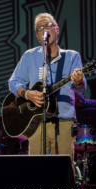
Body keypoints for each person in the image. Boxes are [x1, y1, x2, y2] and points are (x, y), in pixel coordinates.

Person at [8, 13, 86, 162]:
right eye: (40, 28)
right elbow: (13, 82)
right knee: (36, 172)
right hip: (36, 122)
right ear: (38, 35)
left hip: (63, 121)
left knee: (64, 172)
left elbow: (81, 89)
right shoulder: (29, 56)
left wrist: (78, 82)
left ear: (56, 29)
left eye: (48, 25)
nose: (45, 29)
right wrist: (27, 94)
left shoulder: (72, 56)